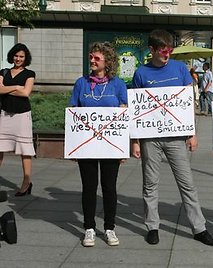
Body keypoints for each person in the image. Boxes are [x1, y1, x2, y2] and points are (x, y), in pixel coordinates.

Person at [131, 29, 213, 247]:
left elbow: (188, 102)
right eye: (162, 51)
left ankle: (199, 228)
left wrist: (192, 133)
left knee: (187, 183)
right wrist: (134, 141)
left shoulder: (180, 69)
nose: (167, 54)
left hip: (177, 137)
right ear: (151, 50)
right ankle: (152, 226)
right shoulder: (141, 73)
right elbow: (135, 109)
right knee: (150, 184)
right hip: (150, 137)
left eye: (169, 50)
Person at [69, 42, 127, 247]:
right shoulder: (81, 83)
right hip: (87, 145)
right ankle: (89, 228)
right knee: (89, 187)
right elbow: (74, 110)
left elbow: (124, 113)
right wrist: (74, 145)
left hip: (110, 145)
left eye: (97, 58)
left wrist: (123, 146)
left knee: (109, 187)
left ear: (108, 62)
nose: (92, 61)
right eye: (91, 57)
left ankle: (110, 227)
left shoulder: (118, 85)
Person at [0, 43, 36, 197]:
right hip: (4, 114)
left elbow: (26, 93)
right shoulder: (3, 71)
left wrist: (7, 89)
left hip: (22, 116)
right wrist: (16, 87)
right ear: (11, 56)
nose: (18, 58)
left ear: (26, 58)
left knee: (25, 150)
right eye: (16, 55)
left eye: (21, 56)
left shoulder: (30, 73)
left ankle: (26, 183)